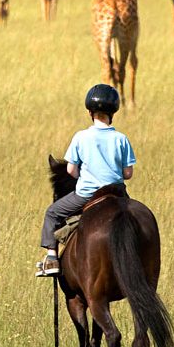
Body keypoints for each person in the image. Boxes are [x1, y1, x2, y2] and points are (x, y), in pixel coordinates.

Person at [36, 83, 135, 277]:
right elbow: (128, 173)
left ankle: (51, 258)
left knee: (52, 213)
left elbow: (71, 170)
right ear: (113, 112)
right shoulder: (121, 138)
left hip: (87, 194)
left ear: (90, 112)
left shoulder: (81, 137)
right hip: (118, 193)